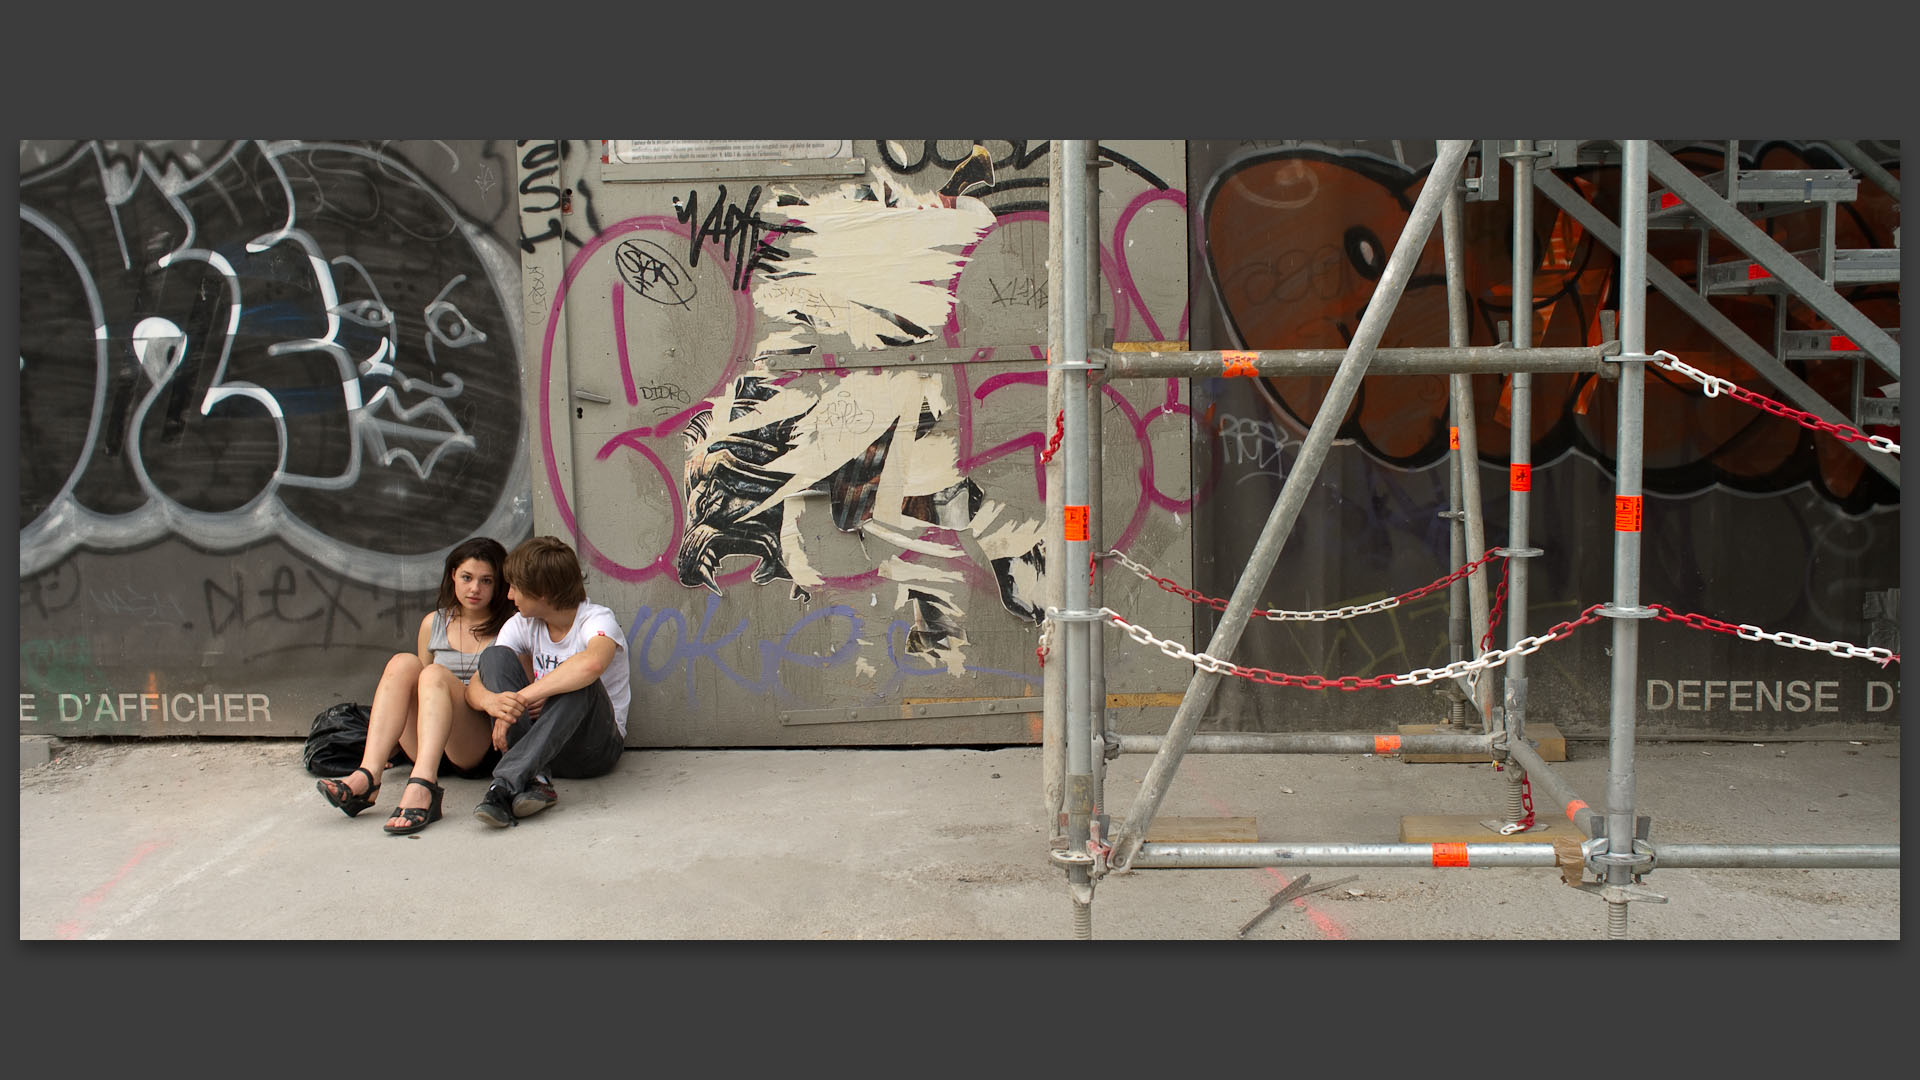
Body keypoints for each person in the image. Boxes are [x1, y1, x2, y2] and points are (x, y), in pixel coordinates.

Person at [314, 537, 516, 835]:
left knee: (434, 675)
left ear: (499, 585)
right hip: (426, 743)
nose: (475, 588)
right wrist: (390, 745)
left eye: (486, 580)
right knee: (404, 664)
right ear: (453, 576)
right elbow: (415, 689)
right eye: (467, 577)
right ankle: (368, 775)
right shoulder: (432, 623)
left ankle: (424, 785)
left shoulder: (509, 627)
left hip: (472, 745)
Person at [466, 536, 630, 827]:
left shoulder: (596, 620)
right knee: (495, 657)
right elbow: (477, 685)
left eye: (515, 587)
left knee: (581, 680)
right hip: (541, 746)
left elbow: (591, 664)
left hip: (592, 749)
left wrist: (524, 696)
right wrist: (493, 703)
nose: (509, 595)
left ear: (541, 592)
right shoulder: (521, 623)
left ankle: (505, 782)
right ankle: (535, 779)